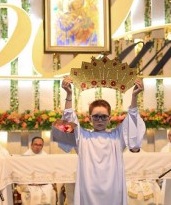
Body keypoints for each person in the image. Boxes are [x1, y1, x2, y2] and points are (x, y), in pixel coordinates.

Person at [58, 76, 146, 205]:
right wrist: (69, 95)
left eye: (104, 116)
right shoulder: (83, 137)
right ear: (90, 118)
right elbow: (67, 120)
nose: (100, 120)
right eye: (96, 116)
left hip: (113, 191)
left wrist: (134, 97)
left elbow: (132, 119)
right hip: (88, 191)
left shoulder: (117, 137)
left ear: (109, 118)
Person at [16, 137, 57, 205]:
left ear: (42, 146)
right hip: (29, 184)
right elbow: (21, 173)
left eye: (40, 145)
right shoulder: (24, 158)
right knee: (33, 193)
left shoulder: (46, 158)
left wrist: (43, 181)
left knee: (49, 190)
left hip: (44, 184)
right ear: (31, 145)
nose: (37, 147)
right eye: (35, 144)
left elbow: (50, 173)